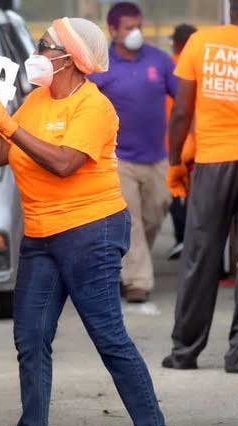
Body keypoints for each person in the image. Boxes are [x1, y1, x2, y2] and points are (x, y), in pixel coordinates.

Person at [0, 17, 184, 426]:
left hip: (92, 231)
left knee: (107, 335)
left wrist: (7, 125)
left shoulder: (93, 106)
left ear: (70, 57)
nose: (38, 51)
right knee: (30, 338)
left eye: (45, 45)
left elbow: (64, 163)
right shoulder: (35, 101)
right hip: (43, 235)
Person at [163, 0, 238, 373]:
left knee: (200, 254)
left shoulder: (200, 43)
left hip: (212, 161)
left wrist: (175, 163)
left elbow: (180, 112)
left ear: (231, 8)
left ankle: (184, 352)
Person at [88, 2, 177, 303]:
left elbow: (183, 96)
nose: (135, 32)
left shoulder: (159, 60)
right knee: (133, 221)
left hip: (157, 157)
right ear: (112, 30)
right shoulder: (102, 67)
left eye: (137, 26)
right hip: (119, 159)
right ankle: (138, 281)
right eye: (128, 27)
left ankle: (128, 267)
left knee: (156, 212)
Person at [165, 23, 197, 261]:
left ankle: (182, 237)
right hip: (195, 141)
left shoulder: (172, 65)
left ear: (177, 42)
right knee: (192, 194)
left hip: (171, 141)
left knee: (175, 190)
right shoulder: (199, 65)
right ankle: (187, 239)